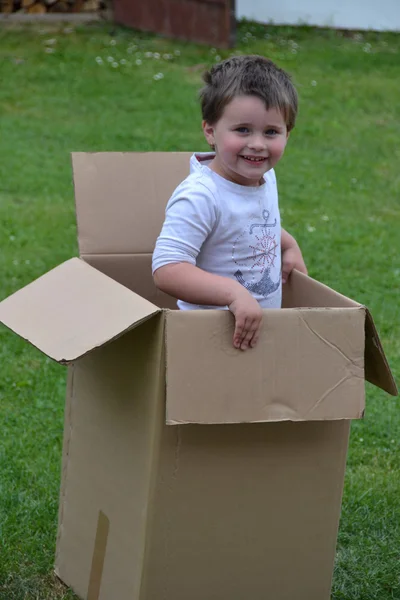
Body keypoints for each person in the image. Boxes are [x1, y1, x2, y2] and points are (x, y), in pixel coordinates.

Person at [152, 55, 307, 351]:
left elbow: (250, 226)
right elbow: (167, 268)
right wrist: (232, 294)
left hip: (259, 334)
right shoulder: (201, 196)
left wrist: (286, 243)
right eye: (243, 130)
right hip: (212, 341)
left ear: (288, 133)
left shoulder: (266, 177)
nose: (258, 144)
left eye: (271, 132)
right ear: (210, 131)